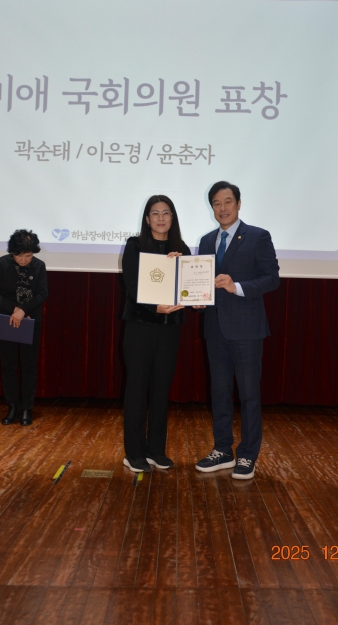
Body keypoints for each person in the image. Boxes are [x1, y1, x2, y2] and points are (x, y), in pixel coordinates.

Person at [193, 181, 280, 479]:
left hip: (247, 330)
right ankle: (222, 450)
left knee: (249, 395)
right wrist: (197, 299)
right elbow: (202, 282)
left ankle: (247, 455)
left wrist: (237, 286)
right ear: (212, 207)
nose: (223, 208)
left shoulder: (258, 236)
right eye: (217, 203)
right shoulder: (206, 241)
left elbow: (272, 278)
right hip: (214, 328)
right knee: (219, 393)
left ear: (239, 204)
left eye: (228, 201)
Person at [120, 195, 191, 473]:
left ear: (173, 218)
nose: (161, 218)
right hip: (140, 328)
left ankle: (156, 450)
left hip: (170, 330)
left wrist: (195, 296)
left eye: (166, 213)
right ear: (147, 219)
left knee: (162, 389)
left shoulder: (182, 249)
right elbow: (132, 286)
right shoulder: (135, 245)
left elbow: (188, 288)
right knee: (137, 389)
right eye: (155, 213)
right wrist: (154, 307)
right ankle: (134, 453)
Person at [0, 229, 48, 426]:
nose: (23, 260)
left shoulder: (39, 266)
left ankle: (27, 408)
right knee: (8, 365)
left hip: (30, 320)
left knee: (29, 366)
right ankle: (12, 406)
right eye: (19, 255)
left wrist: (24, 310)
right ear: (12, 252)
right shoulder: (2, 264)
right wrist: (14, 310)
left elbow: (42, 294)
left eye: (28, 256)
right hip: (6, 319)